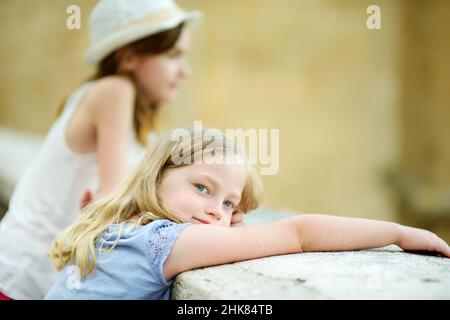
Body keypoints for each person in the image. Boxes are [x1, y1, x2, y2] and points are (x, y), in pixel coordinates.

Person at [0, 0, 237, 300]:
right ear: (127, 56)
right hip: (19, 281)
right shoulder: (113, 91)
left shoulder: (141, 128)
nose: (185, 71)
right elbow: (118, 201)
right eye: (173, 55)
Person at [44, 128, 450, 300]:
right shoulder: (162, 241)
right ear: (156, 177)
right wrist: (397, 233)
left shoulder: (122, 229)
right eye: (202, 187)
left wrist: (230, 226)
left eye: (228, 204)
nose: (213, 210)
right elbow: (300, 234)